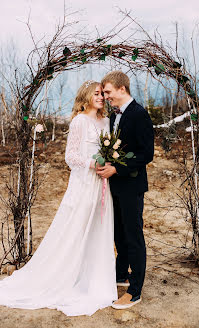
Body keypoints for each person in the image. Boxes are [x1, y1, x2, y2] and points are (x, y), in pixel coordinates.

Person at [0, 81, 117, 316]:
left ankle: (94, 277)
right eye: (96, 94)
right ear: (85, 96)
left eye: (103, 94)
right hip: (83, 183)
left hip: (102, 184)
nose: (101, 97)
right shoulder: (79, 121)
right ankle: (64, 273)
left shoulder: (106, 122)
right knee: (75, 228)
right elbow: (70, 156)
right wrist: (92, 163)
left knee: (98, 227)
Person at [97, 71, 154, 309]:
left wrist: (116, 170)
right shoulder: (113, 115)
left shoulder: (139, 114)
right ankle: (121, 274)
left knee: (133, 235)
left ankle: (135, 290)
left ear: (122, 89)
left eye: (108, 92)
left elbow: (146, 154)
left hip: (131, 185)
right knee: (118, 233)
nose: (106, 97)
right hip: (115, 186)